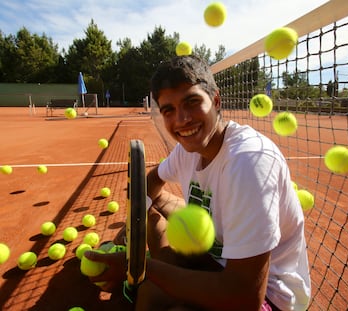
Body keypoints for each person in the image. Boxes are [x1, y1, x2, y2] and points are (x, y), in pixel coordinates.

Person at [85, 55, 311, 311]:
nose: (182, 119)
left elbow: (245, 298)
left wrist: (136, 266)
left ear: (215, 100)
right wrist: (133, 227)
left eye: (191, 102)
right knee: (149, 288)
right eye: (168, 110)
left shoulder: (248, 163)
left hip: (270, 296)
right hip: (221, 260)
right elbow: (152, 180)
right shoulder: (187, 150)